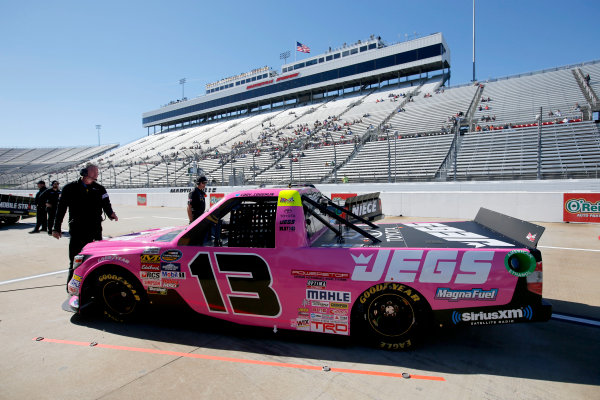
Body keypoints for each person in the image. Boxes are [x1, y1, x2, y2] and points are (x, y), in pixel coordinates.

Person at [52, 164, 118, 285]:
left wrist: (110, 214)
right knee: (75, 259)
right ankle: (72, 285)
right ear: (85, 172)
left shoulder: (100, 189)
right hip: (78, 230)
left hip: (95, 229)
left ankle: (94, 284)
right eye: (95, 171)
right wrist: (56, 228)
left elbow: (106, 203)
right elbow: (60, 210)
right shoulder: (69, 188)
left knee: (96, 259)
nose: (97, 173)